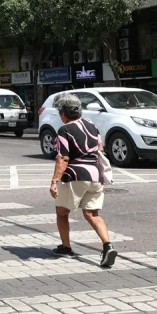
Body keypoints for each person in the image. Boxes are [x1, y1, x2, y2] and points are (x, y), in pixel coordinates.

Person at [49, 94, 118, 268]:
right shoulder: (91, 124)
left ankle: (66, 247)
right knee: (92, 214)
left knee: (62, 212)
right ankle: (108, 246)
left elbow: (63, 158)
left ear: (63, 113)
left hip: (76, 176)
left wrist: (54, 181)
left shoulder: (64, 130)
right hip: (96, 175)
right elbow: (100, 148)